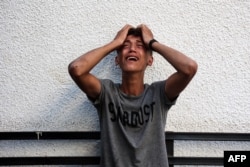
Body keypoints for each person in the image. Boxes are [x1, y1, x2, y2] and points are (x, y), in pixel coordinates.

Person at [68, 24, 198, 167]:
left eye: (140, 46)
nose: (132, 49)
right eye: (125, 45)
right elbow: (77, 69)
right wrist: (115, 43)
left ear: (150, 60)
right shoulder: (106, 93)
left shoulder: (159, 93)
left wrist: (152, 43)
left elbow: (189, 68)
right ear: (117, 60)